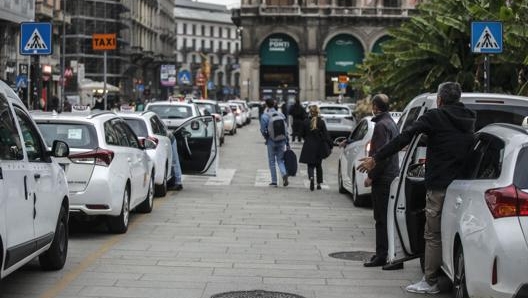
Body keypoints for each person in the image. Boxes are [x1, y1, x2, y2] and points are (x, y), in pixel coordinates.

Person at [358, 82, 476, 294]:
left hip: (439, 186)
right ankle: (447, 273)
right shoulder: (469, 118)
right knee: (453, 234)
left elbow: (404, 137)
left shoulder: (434, 117)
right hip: (463, 187)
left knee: (432, 234)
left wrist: (375, 158)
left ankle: (430, 280)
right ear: (458, 99)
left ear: (440, 100)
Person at [360, 94, 401, 270]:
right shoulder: (391, 123)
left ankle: (382, 255)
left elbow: (381, 156)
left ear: (376, 107)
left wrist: (371, 176)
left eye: (373, 105)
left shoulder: (381, 126)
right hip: (391, 175)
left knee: (381, 218)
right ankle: (390, 254)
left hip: (383, 178)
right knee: (388, 218)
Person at [299, 105, 331, 191]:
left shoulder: (305, 121)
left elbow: (301, 134)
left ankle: (311, 177)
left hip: (308, 146)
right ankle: (319, 184)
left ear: (310, 112)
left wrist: (307, 139)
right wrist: (329, 145)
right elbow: (326, 135)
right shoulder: (321, 122)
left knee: (310, 165)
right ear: (318, 112)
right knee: (318, 165)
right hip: (319, 146)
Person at [260, 98, 290, 187]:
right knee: (280, 160)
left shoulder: (264, 116)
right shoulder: (281, 114)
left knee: (272, 161)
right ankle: (284, 173)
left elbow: (263, 130)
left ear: (266, 105)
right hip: (282, 140)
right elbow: (286, 129)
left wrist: (267, 138)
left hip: (271, 141)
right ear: (274, 104)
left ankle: (274, 181)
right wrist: (287, 142)